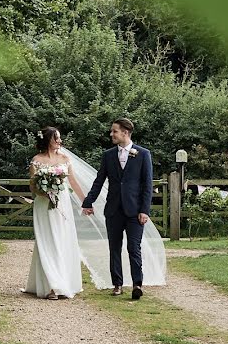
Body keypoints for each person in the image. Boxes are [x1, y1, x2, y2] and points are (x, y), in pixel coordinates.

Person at [81, 118, 153, 300]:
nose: (111, 134)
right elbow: (99, 181)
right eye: (112, 131)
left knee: (133, 247)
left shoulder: (143, 154)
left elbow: (147, 185)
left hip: (135, 210)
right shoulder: (108, 155)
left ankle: (137, 284)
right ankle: (117, 284)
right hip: (113, 210)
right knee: (114, 247)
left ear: (125, 133)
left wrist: (145, 210)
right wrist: (88, 202)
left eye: (114, 131)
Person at [24, 127, 86, 300]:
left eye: (59, 138)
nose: (60, 141)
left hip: (62, 205)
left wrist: (85, 202)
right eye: (56, 138)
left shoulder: (65, 159)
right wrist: (44, 193)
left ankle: (62, 281)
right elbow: (32, 187)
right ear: (48, 140)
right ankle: (52, 286)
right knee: (47, 240)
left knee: (62, 239)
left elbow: (72, 182)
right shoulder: (36, 161)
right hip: (44, 205)